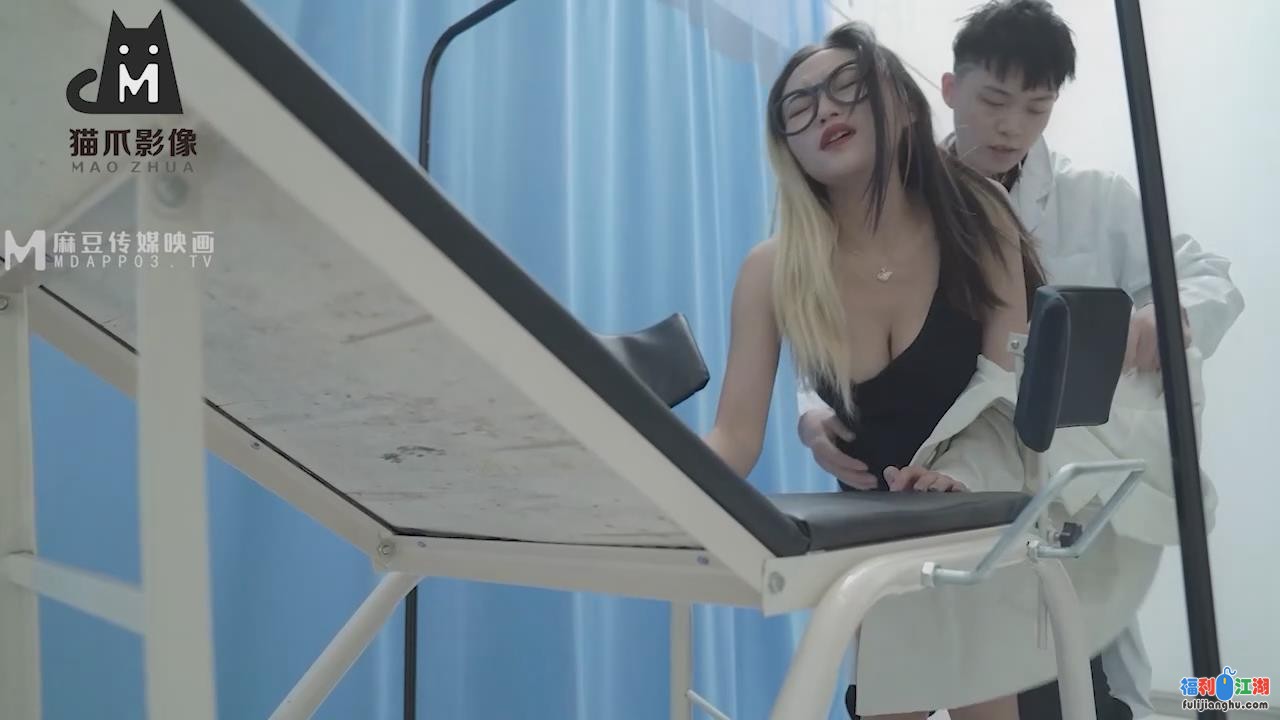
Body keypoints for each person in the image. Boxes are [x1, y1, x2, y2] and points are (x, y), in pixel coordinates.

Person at [795, 2, 1245, 718]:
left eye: (1037, 108)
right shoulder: (889, 203)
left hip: (1041, 494)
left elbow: (1206, 276)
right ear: (949, 90)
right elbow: (830, 330)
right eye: (995, 101)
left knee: (1060, 683)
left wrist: (1169, 314)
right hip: (911, 487)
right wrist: (813, 414)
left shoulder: (1096, 201)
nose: (1012, 126)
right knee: (903, 678)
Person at [701, 19, 1047, 720]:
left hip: (979, 524)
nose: (825, 110)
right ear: (787, 146)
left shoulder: (980, 218)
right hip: (874, 552)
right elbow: (733, 439)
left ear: (902, 104)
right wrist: (639, 484)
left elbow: (1007, 392)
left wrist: (961, 477)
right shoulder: (772, 271)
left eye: (846, 87)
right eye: (798, 106)